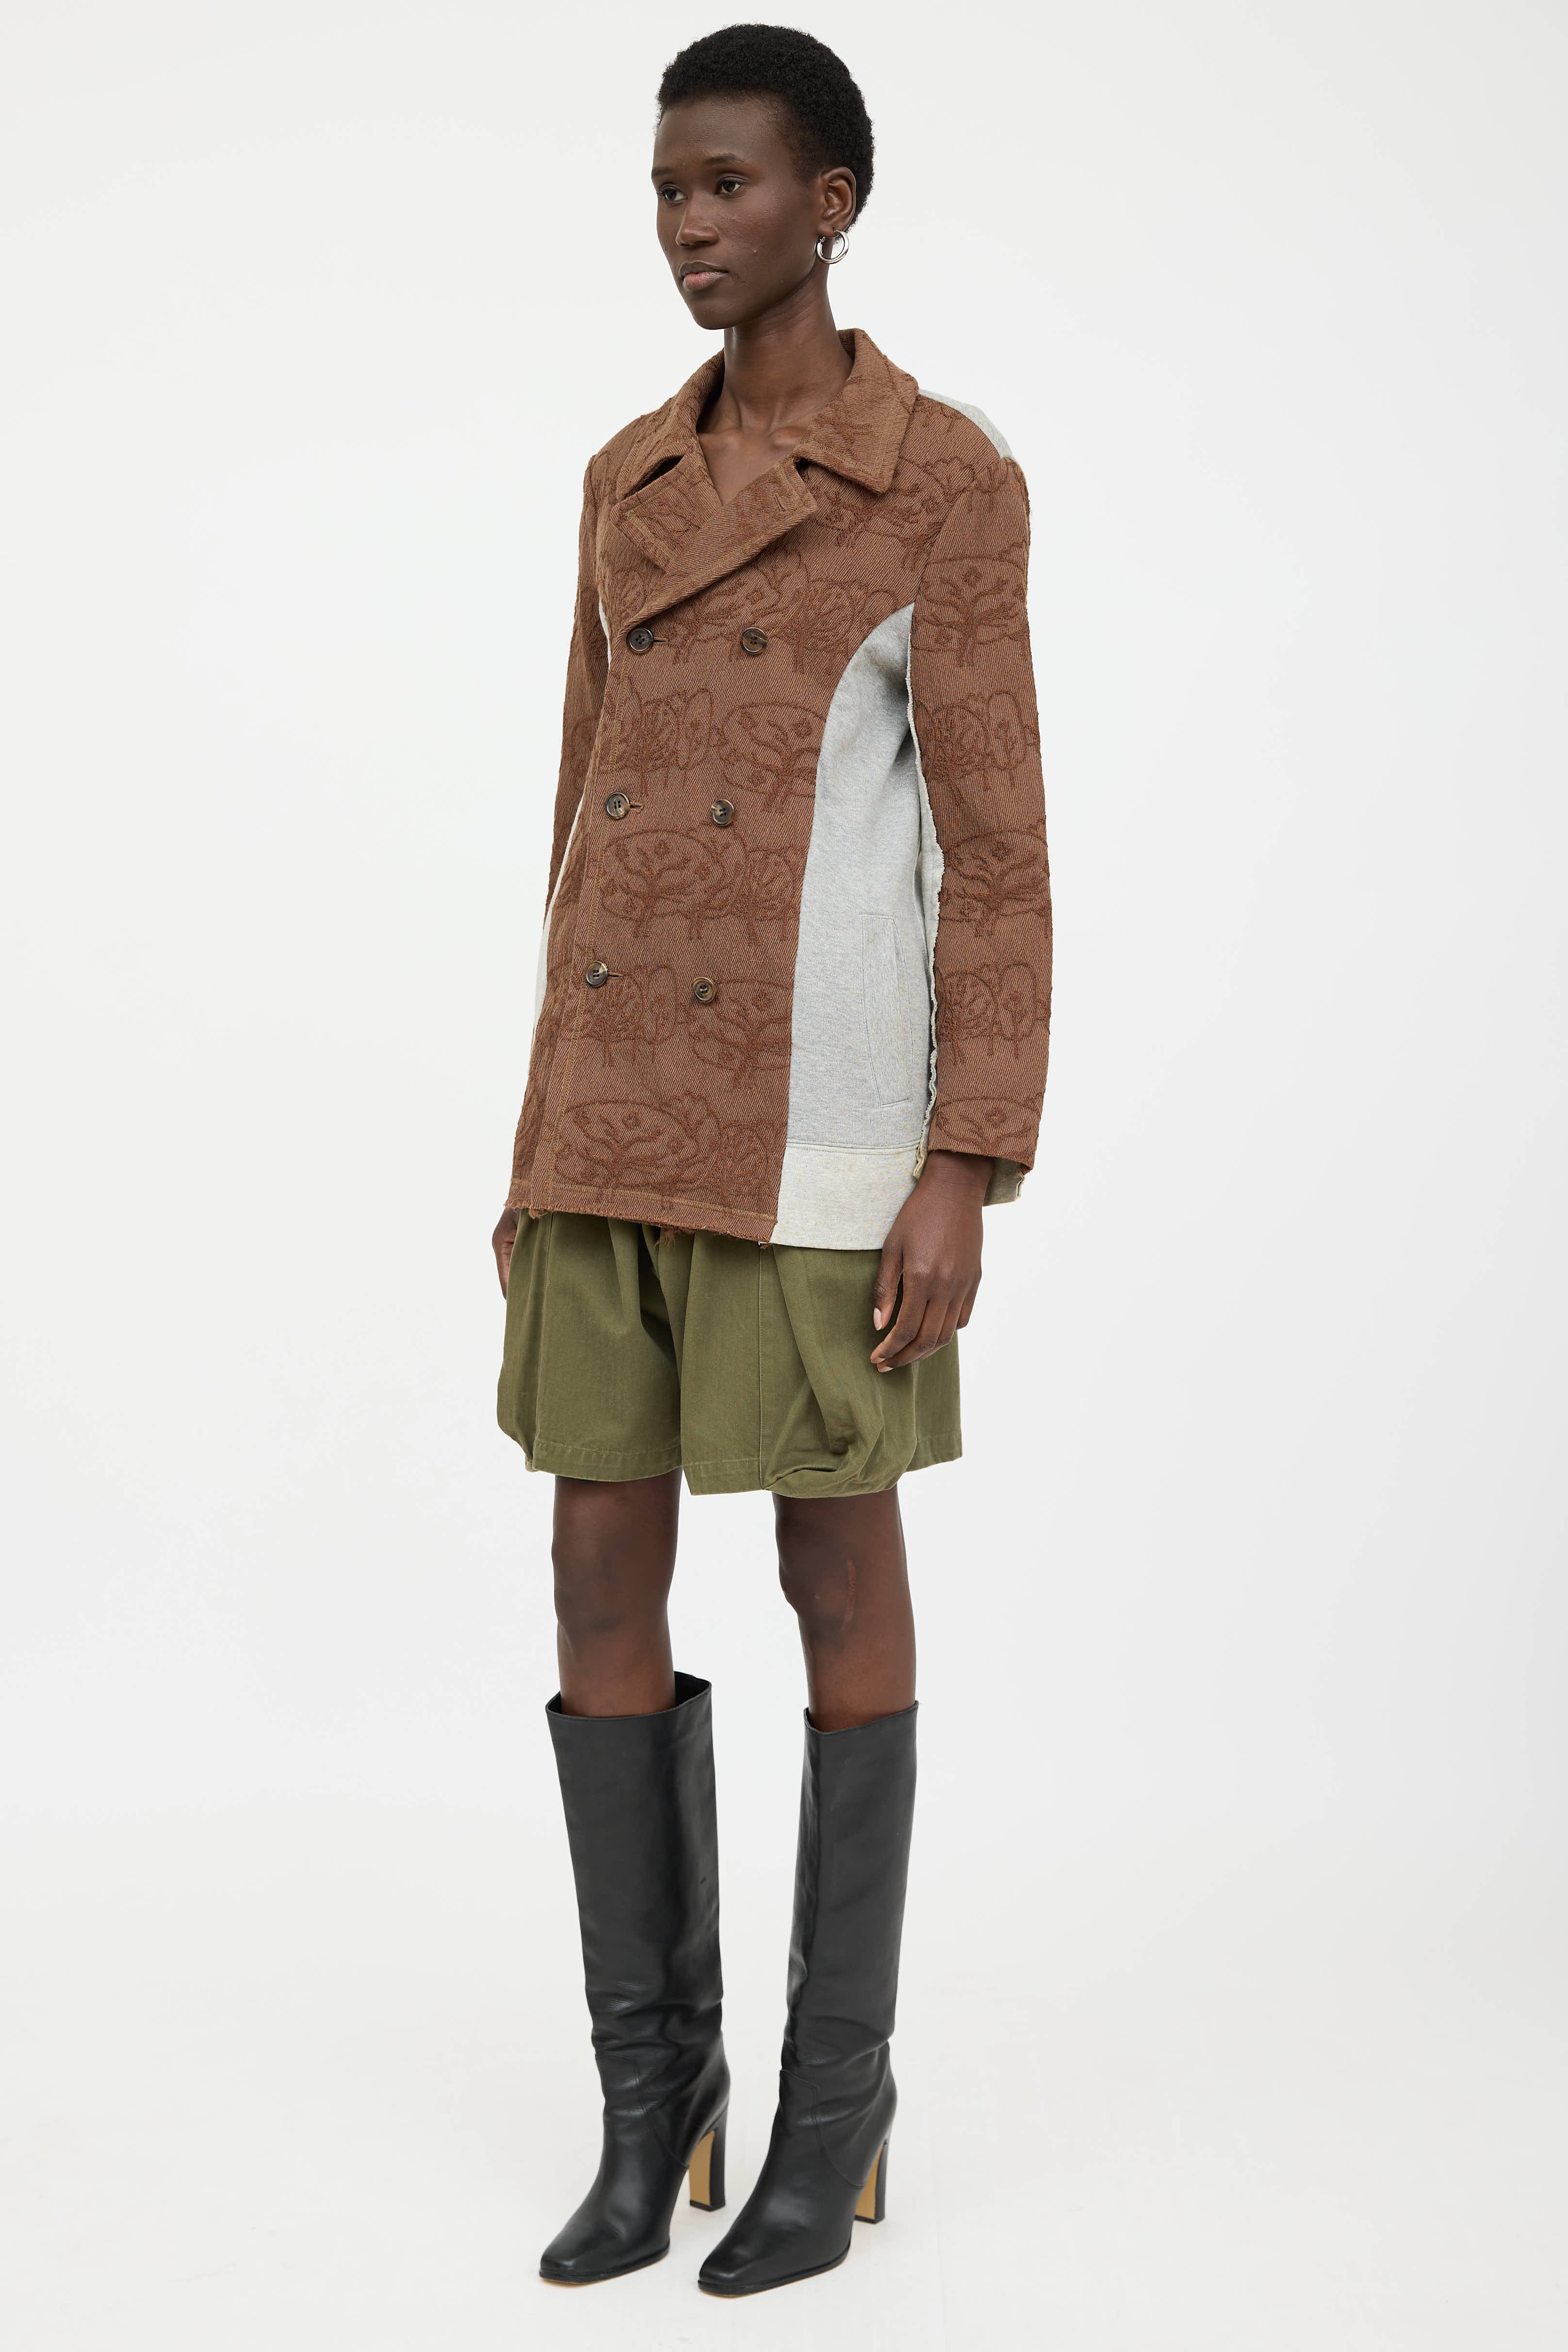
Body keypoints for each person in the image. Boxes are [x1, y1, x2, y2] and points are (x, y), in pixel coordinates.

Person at [491, 23, 1051, 2298]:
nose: (685, 225)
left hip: (825, 1129)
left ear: (830, 203)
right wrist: (530, 1144)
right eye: (663, 188)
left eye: (724, 184)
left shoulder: (942, 482)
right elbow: (577, 826)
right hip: (610, 1110)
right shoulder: (625, 477)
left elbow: (996, 856)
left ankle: (835, 2110)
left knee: (835, 1562)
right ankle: (659, 2103)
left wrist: (964, 1160)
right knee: (591, 1571)